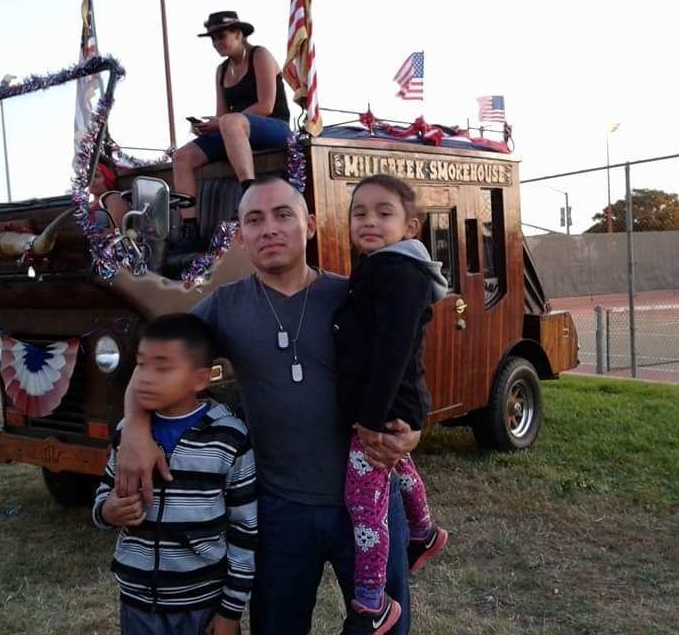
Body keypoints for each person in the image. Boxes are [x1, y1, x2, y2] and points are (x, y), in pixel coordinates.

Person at [115, 176, 419, 635]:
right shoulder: (225, 307)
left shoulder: (353, 295)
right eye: (254, 220)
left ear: (309, 225)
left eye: (283, 215)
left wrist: (413, 427)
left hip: (367, 500)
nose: (269, 229)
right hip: (278, 510)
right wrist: (136, 430)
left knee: (386, 628)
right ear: (240, 236)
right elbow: (154, 364)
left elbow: (407, 365)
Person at [334, 175, 450, 633]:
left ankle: (372, 601)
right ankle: (423, 531)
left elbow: (392, 352)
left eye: (384, 213)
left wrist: (370, 419)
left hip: (382, 408)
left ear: (410, 226)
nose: (369, 221)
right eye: (359, 212)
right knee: (398, 466)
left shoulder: (398, 273)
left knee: (364, 503)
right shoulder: (381, 266)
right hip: (390, 403)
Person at [92, 313, 256, 635]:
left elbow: (245, 530)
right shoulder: (128, 433)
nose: (146, 378)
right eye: (141, 365)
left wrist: (231, 611)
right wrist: (107, 511)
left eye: (163, 367)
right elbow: (103, 494)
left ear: (200, 379)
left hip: (203, 606)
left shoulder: (229, 438)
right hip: (138, 603)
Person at [169, 11, 292, 254]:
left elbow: (266, 106)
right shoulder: (221, 70)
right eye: (212, 38)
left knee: (231, 123)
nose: (216, 42)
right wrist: (207, 127)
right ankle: (190, 229)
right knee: (182, 157)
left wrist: (223, 123)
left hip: (274, 127)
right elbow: (221, 115)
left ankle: (249, 194)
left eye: (221, 36)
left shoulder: (260, 55)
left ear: (238, 34)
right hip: (235, 129)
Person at [89, 158, 130, 230]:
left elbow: (117, 232)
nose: (92, 180)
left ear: (107, 178)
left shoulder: (114, 198)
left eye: (96, 176)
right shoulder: (86, 203)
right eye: (89, 176)